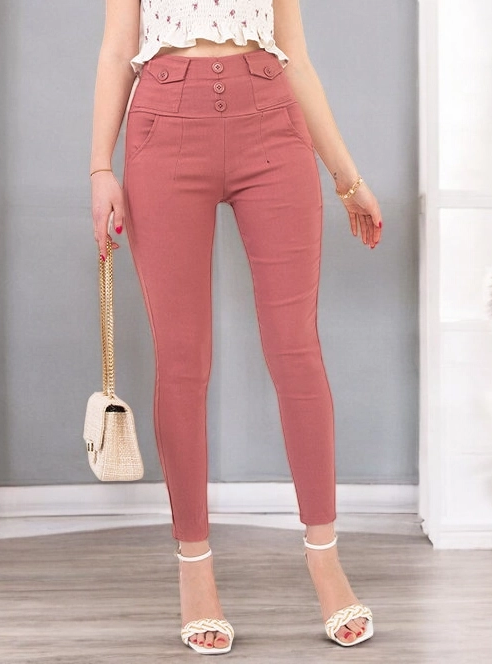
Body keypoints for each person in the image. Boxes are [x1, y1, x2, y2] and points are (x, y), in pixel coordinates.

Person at [90, 0, 382, 655]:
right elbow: (116, 49)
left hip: (272, 118)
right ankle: (195, 569)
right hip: (163, 123)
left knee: (296, 350)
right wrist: (100, 168)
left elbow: (295, 55)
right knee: (182, 361)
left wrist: (346, 177)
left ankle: (326, 560)